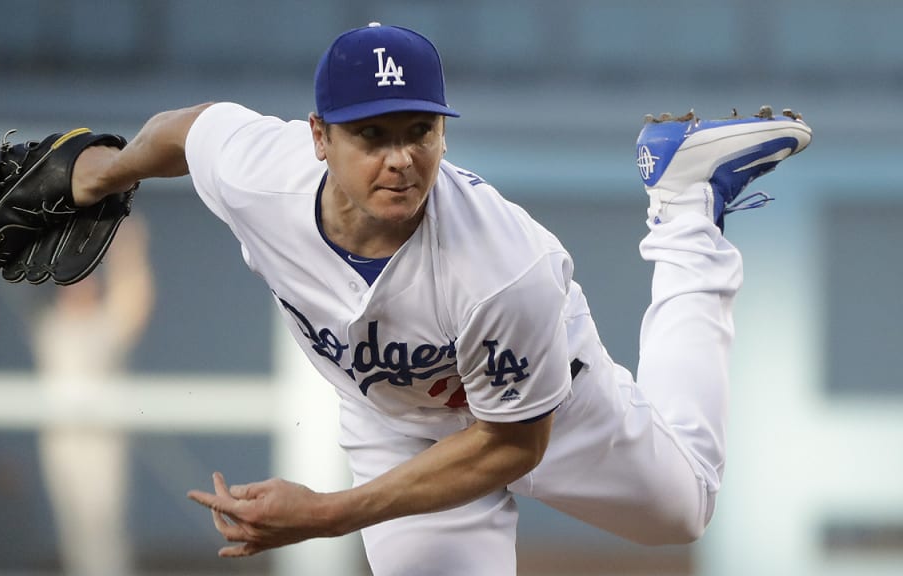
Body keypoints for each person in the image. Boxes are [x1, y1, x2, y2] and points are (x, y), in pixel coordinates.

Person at [67, 23, 811, 575]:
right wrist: (101, 174)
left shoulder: (505, 269)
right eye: (372, 134)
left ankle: (684, 208)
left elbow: (512, 445)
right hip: (392, 418)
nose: (401, 158)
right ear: (320, 137)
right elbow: (189, 131)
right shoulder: (262, 177)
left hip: (542, 405)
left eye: (419, 130)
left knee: (684, 509)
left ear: (444, 134)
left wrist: (328, 514)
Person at [31, 216, 154, 576]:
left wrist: (129, 251)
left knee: (103, 529)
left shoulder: (101, 327)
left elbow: (133, 303)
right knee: (74, 532)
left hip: (100, 443)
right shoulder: (51, 327)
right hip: (61, 441)